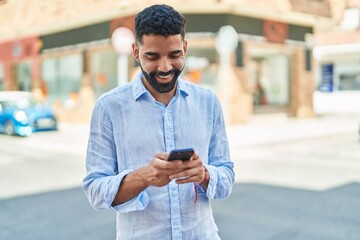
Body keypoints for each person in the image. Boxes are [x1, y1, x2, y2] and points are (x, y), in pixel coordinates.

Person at [83, 4, 234, 240]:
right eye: (152, 56)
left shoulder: (208, 102)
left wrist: (204, 174)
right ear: (136, 52)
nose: (165, 67)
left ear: (184, 48)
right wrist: (145, 177)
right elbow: (96, 191)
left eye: (174, 55)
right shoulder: (109, 107)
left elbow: (226, 176)